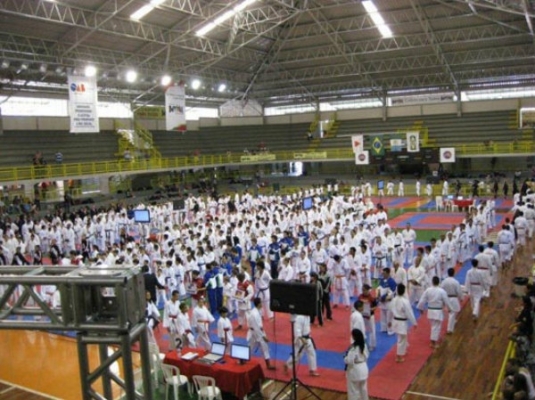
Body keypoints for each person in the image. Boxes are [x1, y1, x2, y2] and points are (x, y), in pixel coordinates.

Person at [417, 276, 452, 349]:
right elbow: (446, 301)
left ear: (432, 282)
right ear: (438, 282)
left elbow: (422, 299)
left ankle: (436, 337)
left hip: (430, 310)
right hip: (438, 311)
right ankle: (433, 342)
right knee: (436, 326)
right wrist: (449, 308)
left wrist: (420, 308)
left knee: (434, 326)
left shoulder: (428, 290)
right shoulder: (442, 291)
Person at [389, 283, 417, 363]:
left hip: (395, 321)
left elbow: (390, 311)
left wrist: (389, 321)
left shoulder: (393, 300)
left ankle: (403, 351)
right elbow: (409, 313)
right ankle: (399, 356)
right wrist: (414, 323)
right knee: (401, 339)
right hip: (401, 322)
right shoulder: (405, 301)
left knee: (401, 338)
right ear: (404, 291)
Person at [247, 297, 276, 370]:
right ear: (259, 304)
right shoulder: (254, 314)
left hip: (256, 332)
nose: (262, 303)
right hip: (257, 332)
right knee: (263, 347)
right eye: (261, 302)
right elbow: (257, 327)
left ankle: (243, 359)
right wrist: (263, 336)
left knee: (252, 347)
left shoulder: (257, 311)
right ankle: (268, 365)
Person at [344, 328, 369, 400]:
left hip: (355, 370)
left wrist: (345, 358)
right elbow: (367, 355)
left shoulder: (353, 348)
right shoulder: (364, 345)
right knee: (363, 390)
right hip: (364, 368)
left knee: (353, 391)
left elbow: (349, 360)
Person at [440, 268, 463, 334]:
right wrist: (461, 298)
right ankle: (449, 329)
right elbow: (459, 291)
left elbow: (441, 290)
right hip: (453, 298)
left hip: (446, 298)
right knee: (452, 313)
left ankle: (453, 321)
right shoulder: (455, 282)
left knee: (451, 312)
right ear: (454, 273)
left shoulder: (444, 282)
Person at [358, 284, 377, 351]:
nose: (363, 291)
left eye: (364, 290)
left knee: (372, 331)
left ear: (368, 290)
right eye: (362, 290)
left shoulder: (372, 298)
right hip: (362, 316)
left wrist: (370, 309)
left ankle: (372, 345)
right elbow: (357, 305)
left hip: (370, 316)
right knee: (361, 330)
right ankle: (361, 344)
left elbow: (375, 307)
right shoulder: (360, 297)